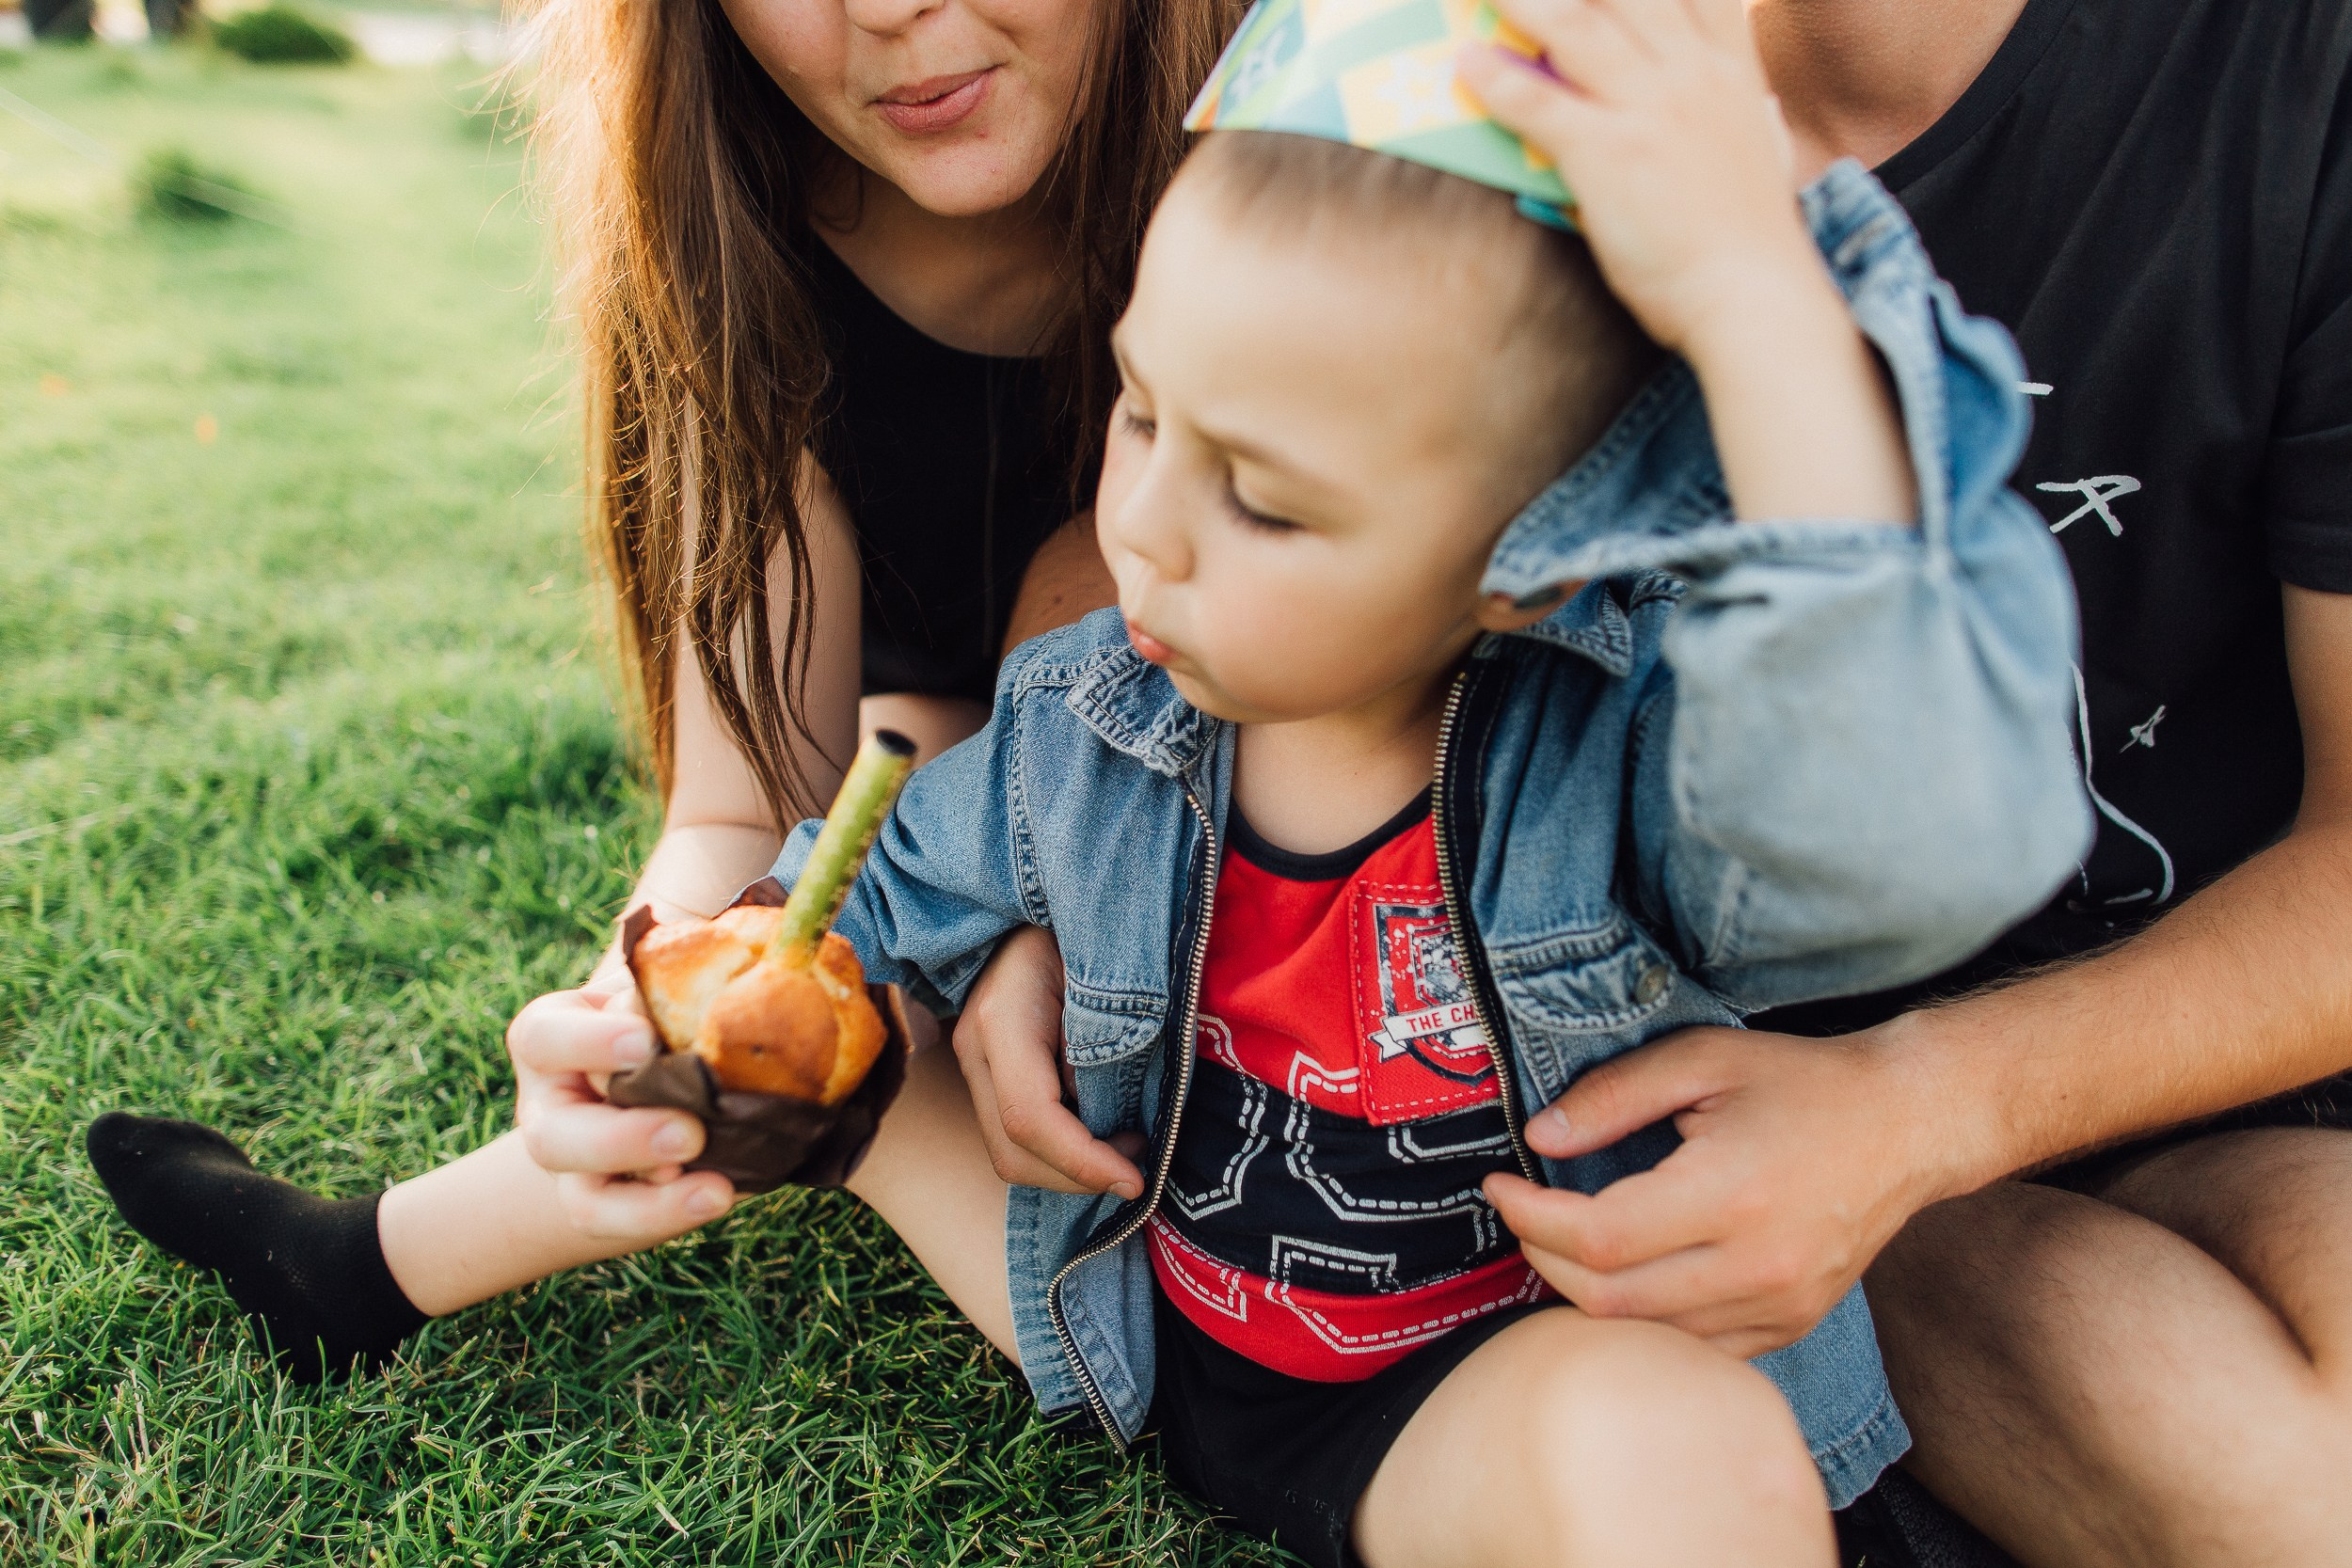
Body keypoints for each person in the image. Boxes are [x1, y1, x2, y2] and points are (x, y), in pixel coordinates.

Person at [93, 0, 2094, 1560]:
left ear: (1521, 558)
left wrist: (1756, 309)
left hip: (1457, 1375)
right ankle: (356, 1264)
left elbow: (1901, 834)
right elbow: (821, 903)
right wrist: (703, 994)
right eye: (1136, 412)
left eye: (1264, 499)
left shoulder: (1632, 764)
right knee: (808, 1063)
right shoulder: (1089, 715)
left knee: (1690, 1467)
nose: (1145, 528)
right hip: (1118, 1296)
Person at [957, 2, 2352, 1560]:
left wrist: (1925, 1112)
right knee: (2274, 1486)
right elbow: (1180, 483)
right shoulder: (1412, 43)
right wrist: (1078, 875)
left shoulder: (2288, 86)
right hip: (1655, 1054)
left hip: (2175, 1031)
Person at [76, 0, 1239, 1379]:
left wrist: (1058, 890)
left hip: (1247, 782)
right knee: (893, 779)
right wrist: (637, 1008)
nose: (883, 11)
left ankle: (352, 1266)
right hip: (926, 768)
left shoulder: (1319, 171)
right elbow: (744, 817)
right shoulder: (734, 241)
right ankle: (372, 1261)